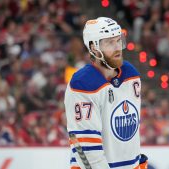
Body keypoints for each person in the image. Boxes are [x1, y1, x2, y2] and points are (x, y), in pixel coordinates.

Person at [64, 17, 147, 169]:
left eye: (118, 40)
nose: (117, 48)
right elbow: (86, 148)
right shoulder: (83, 84)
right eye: (109, 42)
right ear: (94, 48)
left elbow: (129, 136)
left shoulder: (131, 74)